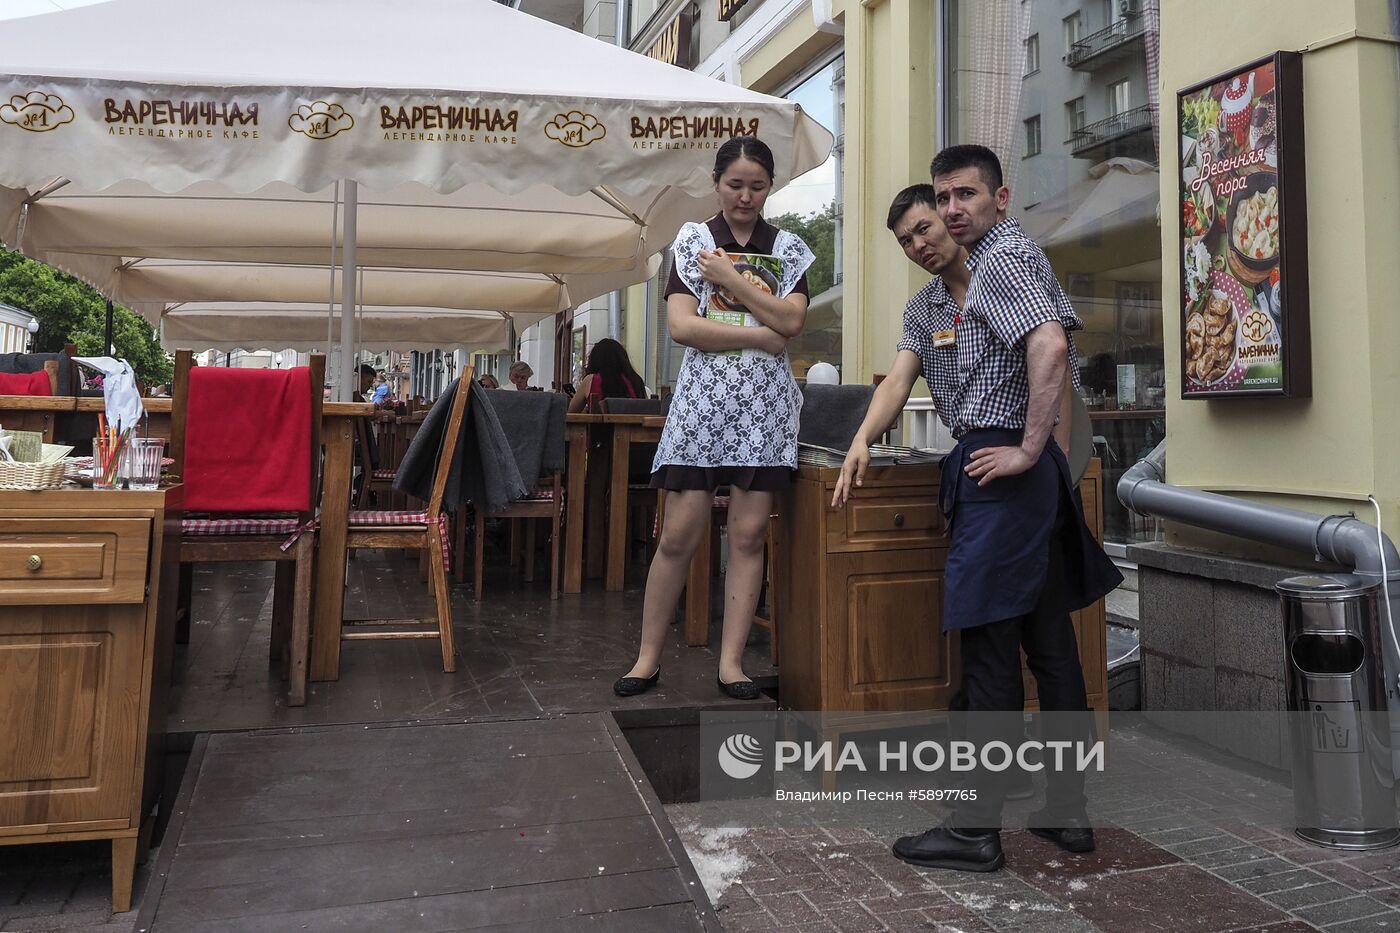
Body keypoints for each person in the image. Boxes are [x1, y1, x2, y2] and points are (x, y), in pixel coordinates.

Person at [840, 149, 1120, 873]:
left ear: (996, 196)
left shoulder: (1000, 259)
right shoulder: (930, 303)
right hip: (1010, 480)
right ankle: (1066, 810)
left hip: (1002, 475)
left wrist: (1030, 453)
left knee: (992, 651)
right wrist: (863, 440)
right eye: (919, 224)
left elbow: (1052, 347)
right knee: (1049, 646)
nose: (935, 227)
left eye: (951, 204)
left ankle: (974, 826)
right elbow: (898, 380)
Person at [614, 135, 813, 701]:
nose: (745, 197)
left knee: (749, 536)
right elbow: (681, 327)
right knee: (678, 534)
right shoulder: (693, 241)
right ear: (716, 183)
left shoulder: (790, 247)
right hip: (702, 405)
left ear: (770, 187)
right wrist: (761, 332)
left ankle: (731, 664)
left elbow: (793, 322)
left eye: (756, 186)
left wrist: (727, 283)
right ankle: (647, 657)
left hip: (766, 410)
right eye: (734, 185)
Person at [569, 338, 646, 413]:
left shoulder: (591, 380)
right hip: (634, 425)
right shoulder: (636, 380)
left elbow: (570, 413)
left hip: (603, 426)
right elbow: (648, 408)